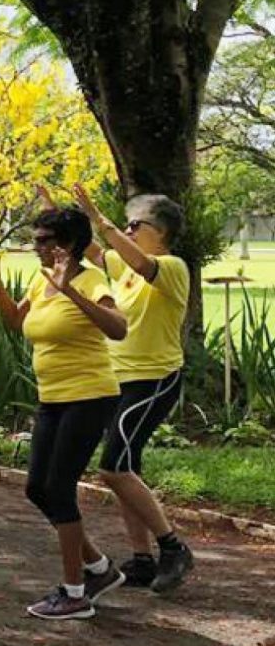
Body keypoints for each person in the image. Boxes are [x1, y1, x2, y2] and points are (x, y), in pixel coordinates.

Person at [0, 208, 128, 620]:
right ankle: (98, 568)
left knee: (59, 489)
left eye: (45, 240)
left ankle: (75, 592)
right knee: (37, 489)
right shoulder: (43, 282)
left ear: (70, 244)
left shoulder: (91, 280)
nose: (37, 246)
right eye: (36, 239)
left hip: (90, 396)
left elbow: (118, 328)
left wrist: (72, 293)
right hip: (54, 398)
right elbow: (14, 322)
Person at [74, 187, 195, 592]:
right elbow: (93, 251)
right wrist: (61, 216)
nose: (126, 230)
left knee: (113, 467)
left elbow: (140, 263)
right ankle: (142, 559)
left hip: (154, 379)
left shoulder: (171, 266)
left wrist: (100, 218)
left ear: (158, 232)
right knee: (127, 470)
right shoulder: (122, 268)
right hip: (119, 379)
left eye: (134, 224)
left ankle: (173, 547)